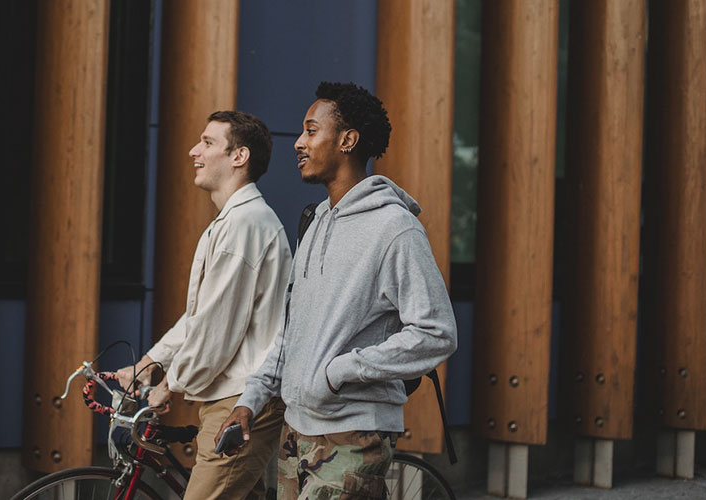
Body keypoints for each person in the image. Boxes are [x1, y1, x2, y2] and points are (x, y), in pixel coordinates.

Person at [219, 82, 458, 499]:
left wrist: (339, 372)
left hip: (353, 433)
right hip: (296, 432)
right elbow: (293, 330)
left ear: (347, 140)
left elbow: (436, 331)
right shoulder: (314, 223)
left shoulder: (394, 229)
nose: (298, 142)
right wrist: (251, 400)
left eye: (311, 131)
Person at [117, 111, 291, 500]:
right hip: (229, 395)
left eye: (208, 142)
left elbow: (216, 328)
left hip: (242, 399)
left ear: (239, 156)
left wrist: (169, 384)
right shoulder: (234, 221)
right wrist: (149, 362)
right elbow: (203, 316)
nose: (194, 151)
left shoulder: (245, 224)